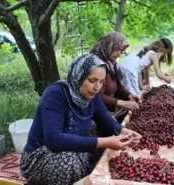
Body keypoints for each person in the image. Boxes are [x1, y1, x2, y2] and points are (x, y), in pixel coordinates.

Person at [20, 54, 142, 185]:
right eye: (92, 80)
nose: (97, 87)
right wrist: (106, 142)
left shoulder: (92, 96)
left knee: (104, 145)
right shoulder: (55, 95)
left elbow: (107, 122)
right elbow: (53, 139)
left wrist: (124, 131)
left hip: (72, 149)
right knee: (69, 163)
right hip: (42, 155)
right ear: (79, 76)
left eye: (101, 82)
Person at [90, 31, 139, 123]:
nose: (119, 53)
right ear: (108, 46)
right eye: (117, 49)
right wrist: (122, 103)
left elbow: (118, 86)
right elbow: (97, 95)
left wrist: (129, 95)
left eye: (121, 50)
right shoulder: (97, 65)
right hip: (97, 112)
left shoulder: (112, 64)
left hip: (111, 110)